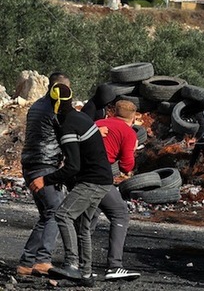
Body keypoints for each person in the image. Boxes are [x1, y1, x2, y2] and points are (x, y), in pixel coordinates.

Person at [28, 83, 113, 286]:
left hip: (92, 181)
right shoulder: (80, 117)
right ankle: (86, 274)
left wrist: (45, 180)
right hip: (102, 179)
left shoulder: (68, 125)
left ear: (53, 103)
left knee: (62, 214)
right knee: (82, 227)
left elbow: (73, 166)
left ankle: (72, 265)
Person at [17, 72, 70, 278]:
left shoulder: (36, 106)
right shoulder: (54, 109)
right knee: (55, 212)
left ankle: (26, 263)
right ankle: (42, 260)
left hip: (30, 163)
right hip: (44, 165)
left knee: (46, 215)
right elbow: (65, 133)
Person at [93, 99, 141, 281]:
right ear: (134, 117)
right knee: (120, 214)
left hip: (80, 174)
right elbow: (126, 167)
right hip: (99, 177)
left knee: (90, 217)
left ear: (114, 112)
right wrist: (133, 150)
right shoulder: (128, 132)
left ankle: (78, 262)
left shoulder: (98, 124)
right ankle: (115, 265)